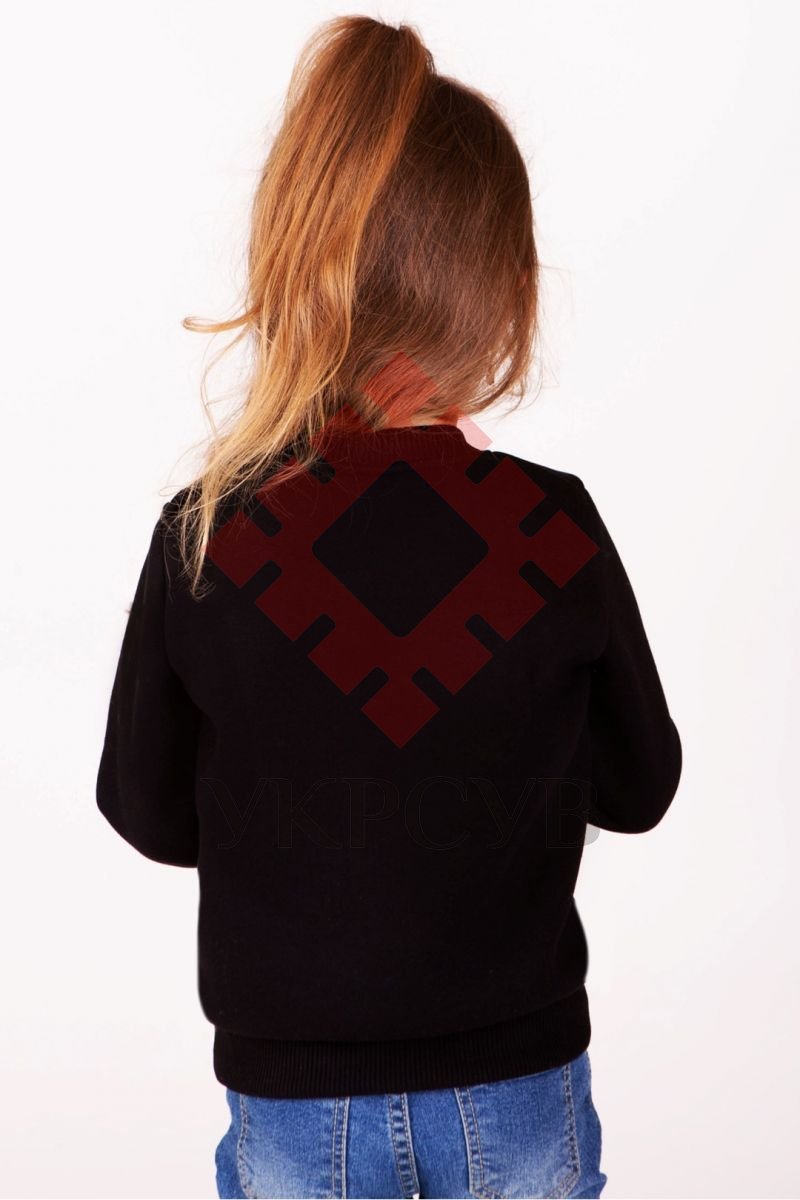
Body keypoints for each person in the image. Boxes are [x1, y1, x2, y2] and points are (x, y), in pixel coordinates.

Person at [95, 14, 682, 1199]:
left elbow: (145, 808)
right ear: (499, 292)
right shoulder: (547, 527)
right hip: (518, 1078)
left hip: (289, 1094)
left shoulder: (208, 535)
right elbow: (640, 785)